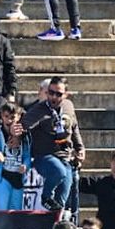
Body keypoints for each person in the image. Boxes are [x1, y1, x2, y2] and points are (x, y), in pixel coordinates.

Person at [24, 77, 85, 217]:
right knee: (59, 172)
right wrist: (16, 137)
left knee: (63, 195)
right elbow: (22, 125)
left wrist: (80, 147)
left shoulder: (68, 106)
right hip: (44, 155)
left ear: (66, 94)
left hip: (65, 156)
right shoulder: (39, 110)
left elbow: (74, 127)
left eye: (58, 94)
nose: (53, 97)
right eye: (51, 93)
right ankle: (46, 197)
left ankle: (56, 222)